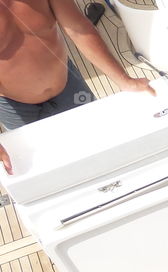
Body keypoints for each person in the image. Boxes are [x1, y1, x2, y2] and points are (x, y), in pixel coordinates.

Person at [0, 0, 156, 175]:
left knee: (101, 142)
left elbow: (79, 29)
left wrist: (124, 80)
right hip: (16, 107)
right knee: (50, 168)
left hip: (67, 84)